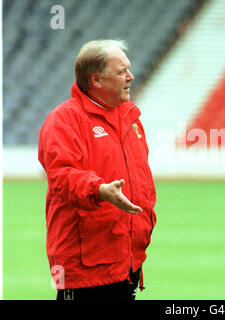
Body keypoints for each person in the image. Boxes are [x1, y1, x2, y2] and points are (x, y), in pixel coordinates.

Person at [38, 39, 157, 300]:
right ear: (97, 80)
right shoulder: (64, 120)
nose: (131, 76)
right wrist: (99, 190)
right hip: (85, 270)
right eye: (121, 71)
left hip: (126, 263)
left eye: (129, 69)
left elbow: (142, 182)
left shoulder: (130, 118)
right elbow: (61, 176)